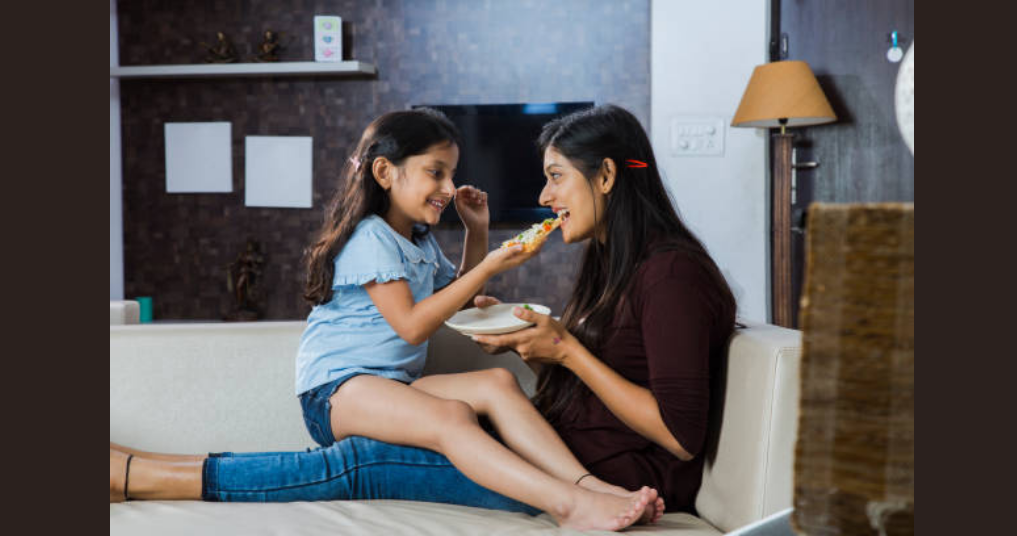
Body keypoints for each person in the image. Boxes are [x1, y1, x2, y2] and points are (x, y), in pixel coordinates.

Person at [110, 108, 660, 532]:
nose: (448, 188)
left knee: (493, 384)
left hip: (389, 386)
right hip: (338, 392)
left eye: (451, 174)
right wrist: (495, 261)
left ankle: (591, 486)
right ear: (385, 172)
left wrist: (476, 234)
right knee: (451, 421)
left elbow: (459, 302)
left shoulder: (416, 240)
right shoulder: (370, 238)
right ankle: (570, 506)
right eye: (435, 173)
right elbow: (414, 326)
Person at [471, 103, 737, 513]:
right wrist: (526, 342)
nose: (545, 196)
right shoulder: (610, 262)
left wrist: (565, 349)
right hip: (557, 454)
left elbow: (681, 437)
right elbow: (592, 396)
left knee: (359, 461)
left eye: (556, 176)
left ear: (607, 175)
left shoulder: (672, 275)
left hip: (614, 479)